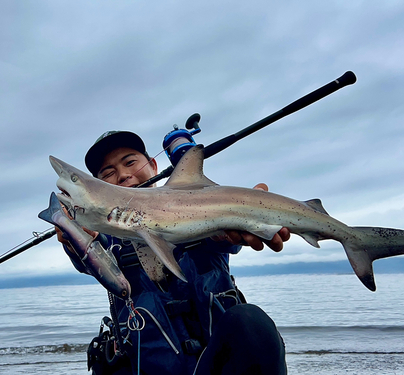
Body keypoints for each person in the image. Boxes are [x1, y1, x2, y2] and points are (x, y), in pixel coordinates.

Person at [56, 131, 290, 375]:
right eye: (108, 173)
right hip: (149, 368)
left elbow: (224, 241)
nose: (123, 175)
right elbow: (89, 258)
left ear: (153, 165)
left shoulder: (201, 210)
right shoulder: (107, 239)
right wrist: (74, 238)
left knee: (250, 322)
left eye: (130, 162)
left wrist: (237, 222)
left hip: (221, 364)